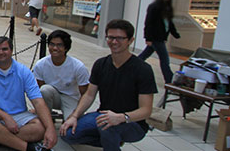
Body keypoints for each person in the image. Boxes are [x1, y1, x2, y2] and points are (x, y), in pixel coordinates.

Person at [60, 20, 157, 151]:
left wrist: (121, 117)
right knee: (68, 133)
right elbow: (89, 95)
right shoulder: (101, 64)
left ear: (130, 40)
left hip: (132, 123)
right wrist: (74, 116)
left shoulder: (143, 69)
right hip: (103, 115)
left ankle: (112, 142)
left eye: (120, 38)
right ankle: (112, 140)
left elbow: (146, 110)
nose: (114, 42)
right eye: (110, 37)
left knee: (107, 126)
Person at [0, 36, 57, 151]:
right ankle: (28, 148)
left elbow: (38, 101)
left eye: (4, 49)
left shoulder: (23, 71)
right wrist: (6, 117)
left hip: (20, 115)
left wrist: (50, 128)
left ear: (11, 51)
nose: (0, 52)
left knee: (41, 127)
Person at [32, 30, 89, 120]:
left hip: (71, 98)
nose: (55, 48)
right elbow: (40, 88)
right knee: (45, 90)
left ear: (66, 48)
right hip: (52, 96)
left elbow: (85, 93)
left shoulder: (78, 67)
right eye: (52, 44)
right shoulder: (41, 64)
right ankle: (47, 118)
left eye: (59, 45)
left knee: (70, 126)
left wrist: (77, 112)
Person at [138, 0, 180, 84]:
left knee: (144, 55)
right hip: (155, 38)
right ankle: (169, 80)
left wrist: (174, 34)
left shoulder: (167, 8)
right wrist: (147, 38)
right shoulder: (154, 7)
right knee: (164, 59)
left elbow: (169, 23)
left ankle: (129, 66)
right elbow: (148, 23)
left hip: (160, 37)